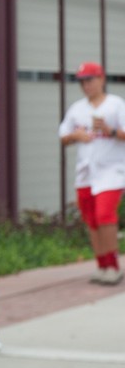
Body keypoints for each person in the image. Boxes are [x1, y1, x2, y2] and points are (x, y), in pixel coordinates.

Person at [58, 60, 125, 286]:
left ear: (101, 79)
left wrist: (110, 131)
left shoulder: (115, 105)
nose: (86, 85)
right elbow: (63, 136)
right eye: (82, 82)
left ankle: (113, 266)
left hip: (111, 171)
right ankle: (102, 264)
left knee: (105, 215)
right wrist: (75, 136)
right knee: (91, 219)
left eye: (90, 80)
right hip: (86, 172)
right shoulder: (78, 109)